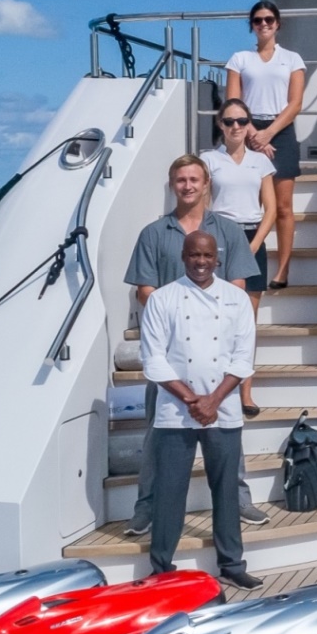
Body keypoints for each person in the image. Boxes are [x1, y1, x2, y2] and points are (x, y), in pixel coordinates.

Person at [122, 154, 268, 536]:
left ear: (206, 185)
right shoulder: (153, 233)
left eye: (194, 180)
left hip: (218, 355)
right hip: (169, 353)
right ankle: (146, 507)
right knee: (156, 434)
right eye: (180, 180)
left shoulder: (229, 231)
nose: (187, 186)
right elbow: (145, 290)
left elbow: (237, 288)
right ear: (173, 185)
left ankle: (240, 500)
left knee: (228, 436)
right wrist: (168, 315)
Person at [136, 230, 263, 589]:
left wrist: (213, 400)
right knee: (169, 491)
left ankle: (232, 565)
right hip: (175, 412)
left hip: (223, 410)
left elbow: (243, 358)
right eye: (194, 255)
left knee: (226, 491)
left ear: (217, 259)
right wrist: (193, 400)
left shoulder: (237, 300)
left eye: (207, 256)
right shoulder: (162, 299)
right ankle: (162, 568)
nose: (201, 262)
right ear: (183, 257)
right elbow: (153, 360)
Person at [203, 98, 279, 418]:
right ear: (220, 125)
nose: (236, 126)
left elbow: (271, 209)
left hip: (252, 237)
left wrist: (255, 244)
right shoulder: (208, 160)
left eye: (242, 121)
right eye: (229, 121)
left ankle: (245, 391)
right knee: (215, 314)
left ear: (249, 124)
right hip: (220, 235)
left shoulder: (260, 162)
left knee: (247, 320)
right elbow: (204, 206)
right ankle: (214, 386)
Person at [225, 0, 306, 290]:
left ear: (277, 23)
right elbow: (233, 102)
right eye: (258, 20)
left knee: (283, 207)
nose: (263, 24)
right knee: (250, 206)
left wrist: (268, 133)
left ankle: (282, 271)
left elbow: (295, 103)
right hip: (246, 130)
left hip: (279, 131)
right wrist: (252, 134)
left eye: (269, 19)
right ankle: (245, 269)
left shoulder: (292, 59)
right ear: (251, 25)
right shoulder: (239, 59)